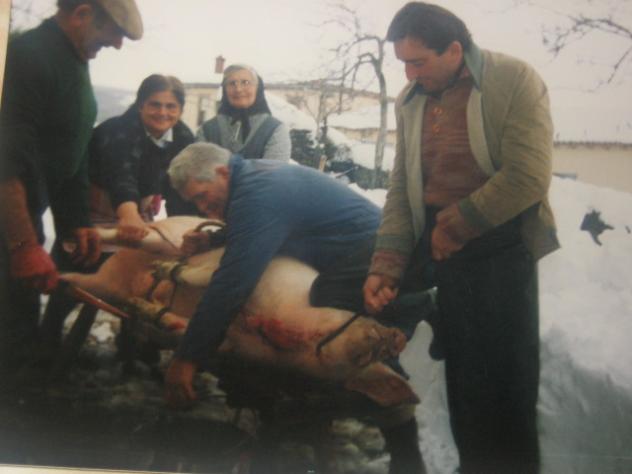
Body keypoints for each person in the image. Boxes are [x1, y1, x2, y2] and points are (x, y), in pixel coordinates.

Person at [362, 3, 559, 473]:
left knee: (506, 382)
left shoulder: (513, 80)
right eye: (403, 64)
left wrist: (458, 225)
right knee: (466, 379)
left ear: (453, 50)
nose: (409, 75)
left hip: (500, 242)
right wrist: (387, 262)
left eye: (418, 62)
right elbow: (402, 186)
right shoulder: (411, 98)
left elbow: (528, 176)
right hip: (443, 246)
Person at [165, 142, 430, 473]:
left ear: (221, 172)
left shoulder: (258, 192)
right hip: (373, 259)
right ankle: (400, 454)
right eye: (196, 203)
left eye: (203, 196)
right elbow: (270, 227)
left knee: (344, 334)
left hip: (383, 267)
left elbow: (231, 282)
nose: (203, 208)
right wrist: (215, 239)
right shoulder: (254, 178)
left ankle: (400, 456)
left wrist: (187, 357)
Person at [0, 0, 143, 376]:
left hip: (25, 215)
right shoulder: (28, 57)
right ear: (82, 14)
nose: (117, 45)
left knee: (19, 322)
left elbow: (74, 152)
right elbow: (6, 161)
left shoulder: (73, 60)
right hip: (9, 217)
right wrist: (22, 244)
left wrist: (77, 221)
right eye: (113, 33)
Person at [39, 74, 196, 352]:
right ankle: (45, 346)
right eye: (155, 104)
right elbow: (120, 174)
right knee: (75, 278)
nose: (162, 112)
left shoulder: (183, 137)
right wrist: (128, 215)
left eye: (171, 106)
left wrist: (184, 231)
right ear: (140, 105)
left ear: (181, 109)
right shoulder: (117, 130)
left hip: (136, 211)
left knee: (140, 278)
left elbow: (180, 185)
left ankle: (132, 348)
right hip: (91, 209)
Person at [196, 64, 291, 161]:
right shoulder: (207, 130)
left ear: (258, 88)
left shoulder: (275, 130)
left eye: (245, 82)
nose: (238, 89)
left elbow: (273, 169)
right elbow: (198, 167)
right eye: (232, 83)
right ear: (225, 90)